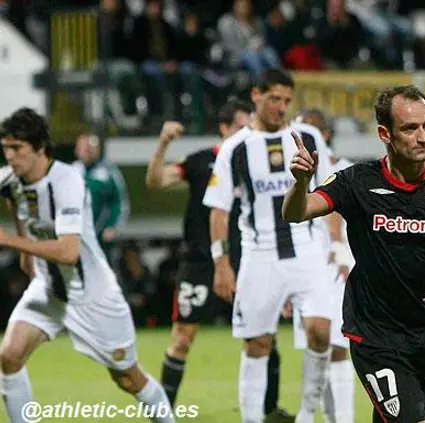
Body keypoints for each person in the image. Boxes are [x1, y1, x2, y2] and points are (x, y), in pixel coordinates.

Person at [282, 85, 425, 423]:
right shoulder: (356, 183)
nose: (422, 136)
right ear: (385, 134)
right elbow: (297, 212)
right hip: (376, 336)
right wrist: (299, 183)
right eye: (410, 129)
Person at [0, 108, 175, 422]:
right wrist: (27, 252)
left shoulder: (68, 182)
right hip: (49, 290)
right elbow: (15, 199)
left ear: (39, 148)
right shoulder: (13, 179)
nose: (9, 156)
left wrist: (11, 241)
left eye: (16, 149)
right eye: (5, 149)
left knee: (127, 378)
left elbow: (69, 252)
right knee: (9, 357)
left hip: (94, 296)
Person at [145, 99, 293, 421]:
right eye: (240, 126)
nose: (246, 132)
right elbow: (156, 181)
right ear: (224, 129)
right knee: (182, 338)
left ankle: (269, 410)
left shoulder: (255, 161)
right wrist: (163, 143)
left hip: (246, 261)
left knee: (263, 335)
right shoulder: (200, 162)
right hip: (199, 263)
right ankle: (163, 412)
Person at [203, 68, 336, 423]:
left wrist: (337, 248)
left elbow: (330, 191)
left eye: (287, 101)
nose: (281, 107)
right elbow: (219, 209)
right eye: (274, 98)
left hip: (307, 249)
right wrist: (221, 262)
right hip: (260, 254)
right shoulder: (235, 147)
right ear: (256, 96)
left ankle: (308, 414)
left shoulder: (307, 136)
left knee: (321, 331)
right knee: (257, 343)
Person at [292, 108, 355, 423]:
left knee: (338, 346)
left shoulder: (346, 171)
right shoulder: (293, 174)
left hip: (337, 264)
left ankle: (341, 419)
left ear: (324, 135)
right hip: (304, 267)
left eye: (307, 130)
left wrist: (339, 246)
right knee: (317, 347)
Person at [73, 133, 130, 260]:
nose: (87, 151)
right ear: (77, 151)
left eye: (90, 148)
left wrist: (113, 226)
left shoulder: (108, 172)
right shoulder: (72, 171)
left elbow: (119, 201)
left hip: (100, 234)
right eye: (83, 148)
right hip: (76, 236)